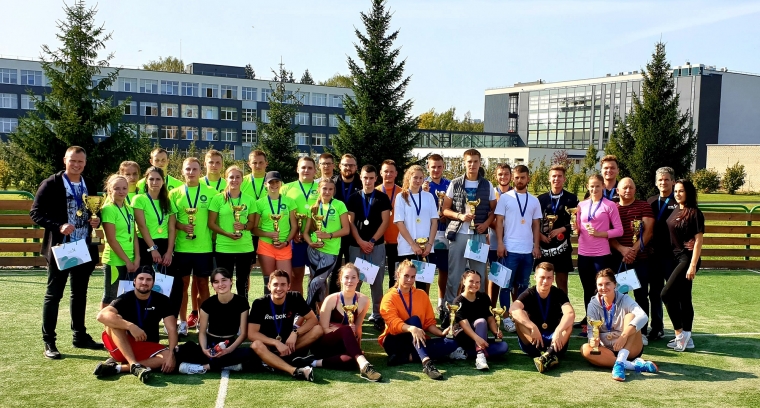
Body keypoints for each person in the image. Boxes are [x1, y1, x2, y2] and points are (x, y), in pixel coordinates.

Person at [31, 146, 104, 359]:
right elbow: (35, 213)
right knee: (54, 295)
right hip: (61, 248)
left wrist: (96, 220)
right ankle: (49, 341)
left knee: (79, 294)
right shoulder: (51, 183)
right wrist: (59, 225)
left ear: (85, 163)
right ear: (65, 160)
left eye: (80, 161)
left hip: (84, 246)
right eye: (73, 161)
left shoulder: (89, 183)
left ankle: (79, 336)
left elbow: (95, 210)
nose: (76, 165)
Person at [94, 266, 178, 383]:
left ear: (153, 283)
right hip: (122, 345)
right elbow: (101, 316)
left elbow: (172, 329)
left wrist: (172, 355)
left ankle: (118, 368)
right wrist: (130, 326)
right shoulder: (125, 298)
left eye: (148, 279)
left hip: (147, 345)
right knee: (115, 320)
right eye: (141, 279)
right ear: (134, 281)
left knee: (168, 357)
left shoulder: (163, 300)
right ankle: (133, 363)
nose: (144, 282)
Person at [379, 260, 458, 380]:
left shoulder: (421, 294)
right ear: (398, 275)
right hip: (394, 341)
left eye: (413, 277)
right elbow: (393, 323)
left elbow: (428, 323)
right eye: (406, 276)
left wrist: (441, 333)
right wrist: (411, 328)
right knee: (415, 321)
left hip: (418, 341)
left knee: (451, 343)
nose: (410, 280)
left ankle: (406, 357)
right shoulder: (389, 297)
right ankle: (427, 363)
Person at [580, 269, 658, 382]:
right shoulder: (593, 304)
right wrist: (593, 339)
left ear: (615, 285)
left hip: (629, 347)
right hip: (607, 349)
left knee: (631, 316)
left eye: (607, 284)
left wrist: (624, 336)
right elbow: (591, 329)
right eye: (600, 285)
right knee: (585, 349)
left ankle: (622, 359)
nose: (604, 287)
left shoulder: (625, 299)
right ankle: (631, 365)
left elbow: (643, 316)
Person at [442, 149, 497, 307]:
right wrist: (460, 216)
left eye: (475, 161)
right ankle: (451, 308)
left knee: (479, 275)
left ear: (480, 163)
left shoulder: (487, 184)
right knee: (455, 274)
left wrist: (486, 224)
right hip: (458, 234)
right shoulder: (455, 183)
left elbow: (495, 210)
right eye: (469, 161)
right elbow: (445, 209)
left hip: (478, 235)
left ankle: (480, 308)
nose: (472, 164)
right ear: (464, 163)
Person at [173, 268, 254, 374]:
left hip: (229, 344)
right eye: (216, 282)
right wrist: (204, 350)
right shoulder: (207, 304)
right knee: (179, 351)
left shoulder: (242, 302)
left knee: (251, 353)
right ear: (212, 285)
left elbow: (243, 334)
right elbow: (202, 332)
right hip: (210, 344)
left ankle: (205, 367)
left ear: (231, 281)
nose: (220, 284)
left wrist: (228, 350)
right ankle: (228, 365)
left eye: (224, 280)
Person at [248, 270, 323, 381]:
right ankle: (294, 370)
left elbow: (313, 320)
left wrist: (295, 333)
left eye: (283, 284)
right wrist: (276, 342)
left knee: (318, 330)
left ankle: (272, 362)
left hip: (289, 345)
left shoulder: (295, 297)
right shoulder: (259, 303)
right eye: (275, 284)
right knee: (256, 345)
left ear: (289, 286)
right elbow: (251, 334)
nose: (279, 288)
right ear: (269, 286)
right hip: (269, 346)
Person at [168, 157, 215, 336]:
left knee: (203, 285)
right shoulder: (174, 193)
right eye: (188, 169)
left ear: (200, 171)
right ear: (182, 171)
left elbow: (216, 219)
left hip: (204, 248)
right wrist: (182, 226)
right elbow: (171, 222)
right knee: (182, 286)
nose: (191, 172)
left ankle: (204, 322)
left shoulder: (211, 192)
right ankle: (182, 322)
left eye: (194, 169)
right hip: (182, 248)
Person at [312, 264, 383, 381]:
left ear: (358, 280)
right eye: (346, 277)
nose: (350, 281)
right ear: (340, 279)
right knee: (346, 329)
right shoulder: (331, 299)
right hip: (325, 344)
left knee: (350, 360)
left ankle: (314, 362)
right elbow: (323, 329)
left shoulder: (364, 300)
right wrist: (342, 330)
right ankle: (365, 364)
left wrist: (356, 347)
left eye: (353, 277)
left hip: (344, 345)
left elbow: (358, 328)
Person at [494, 164, 542, 332]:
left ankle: (521, 317)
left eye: (522, 177)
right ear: (513, 179)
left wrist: (536, 246)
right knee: (505, 286)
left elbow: (536, 225)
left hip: (527, 251)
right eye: (516, 178)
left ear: (528, 178)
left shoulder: (534, 200)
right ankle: (506, 318)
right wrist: (500, 243)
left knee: (523, 286)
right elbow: (499, 222)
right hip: (510, 249)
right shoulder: (505, 198)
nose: (519, 180)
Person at [575, 174, 623, 337]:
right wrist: (576, 229)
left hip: (601, 254)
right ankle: (590, 326)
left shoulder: (610, 205)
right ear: (587, 187)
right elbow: (578, 228)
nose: (594, 189)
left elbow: (619, 230)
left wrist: (600, 233)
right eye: (591, 186)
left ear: (603, 186)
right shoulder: (581, 205)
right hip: (583, 253)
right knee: (587, 290)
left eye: (597, 186)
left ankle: (606, 324)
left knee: (601, 290)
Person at [609, 177, 654, 344]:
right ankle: (621, 329)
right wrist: (623, 250)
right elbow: (608, 234)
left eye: (631, 187)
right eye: (624, 188)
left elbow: (648, 232)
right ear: (617, 191)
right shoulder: (612, 207)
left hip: (640, 259)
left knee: (641, 296)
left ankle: (642, 332)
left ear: (635, 190)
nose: (628, 190)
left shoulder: (644, 206)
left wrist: (632, 251)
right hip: (619, 259)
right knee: (620, 296)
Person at [509, 262, 575, 373]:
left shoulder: (559, 293)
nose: (545, 281)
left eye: (549, 278)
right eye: (542, 277)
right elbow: (513, 309)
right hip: (534, 341)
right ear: (535, 277)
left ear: (553, 279)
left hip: (555, 341)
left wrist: (559, 330)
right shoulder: (529, 293)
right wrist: (532, 327)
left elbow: (570, 314)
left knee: (568, 323)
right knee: (518, 319)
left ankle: (547, 355)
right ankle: (549, 356)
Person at [346, 165, 391, 323]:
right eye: (365, 177)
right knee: (354, 280)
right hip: (356, 245)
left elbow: (385, 222)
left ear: (376, 179)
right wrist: (360, 241)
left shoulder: (382, 198)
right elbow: (350, 223)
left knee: (377, 281)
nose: (368, 181)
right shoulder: (353, 198)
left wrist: (371, 241)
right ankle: (352, 312)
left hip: (376, 245)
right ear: (361, 177)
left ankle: (377, 315)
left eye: (371, 178)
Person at [662, 179, 704, 352]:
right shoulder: (676, 209)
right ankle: (687, 336)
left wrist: (692, 265)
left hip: (687, 259)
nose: (678, 194)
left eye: (681, 191)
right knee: (684, 297)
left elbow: (699, 240)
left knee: (666, 294)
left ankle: (681, 333)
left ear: (688, 193)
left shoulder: (694, 213)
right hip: (675, 258)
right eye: (676, 191)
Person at [208, 166, 257, 299]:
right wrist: (227, 234)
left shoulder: (249, 200)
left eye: (237, 177)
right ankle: (224, 308)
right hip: (224, 247)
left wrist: (243, 226)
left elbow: (252, 224)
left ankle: (243, 309)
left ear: (242, 179)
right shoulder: (218, 199)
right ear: (226, 179)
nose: (234, 180)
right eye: (231, 177)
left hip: (245, 247)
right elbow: (211, 224)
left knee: (243, 282)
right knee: (223, 282)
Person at [302, 178, 350, 311]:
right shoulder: (313, 207)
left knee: (316, 282)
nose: (327, 192)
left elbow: (346, 230)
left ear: (334, 190)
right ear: (319, 189)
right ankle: (320, 313)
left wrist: (328, 235)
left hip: (331, 251)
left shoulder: (339, 205)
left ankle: (304, 311)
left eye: (330, 189)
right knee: (319, 283)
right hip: (313, 250)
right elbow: (306, 232)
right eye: (324, 188)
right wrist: (310, 242)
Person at [450, 270, 508, 370]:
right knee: (481, 321)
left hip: (480, 338)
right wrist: (477, 339)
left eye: (477, 282)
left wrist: (496, 332)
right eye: (471, 281)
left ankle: (464, 353)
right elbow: (465, 325)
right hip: (465, 337)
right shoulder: (458, 301)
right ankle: (480, 356)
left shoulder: (484, 297)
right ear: (464, 281)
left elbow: (490, 318)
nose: (474, 285)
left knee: (503, 347)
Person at [646, 167, 678, 342]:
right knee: (654, 293)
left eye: (666, 179)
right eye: (660, 180)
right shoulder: (650, 201)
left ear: (673, 181)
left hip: (673, 256)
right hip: (653, 255)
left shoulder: (679, 200)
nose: (663, 182)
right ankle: (657, 327)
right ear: (655, 182)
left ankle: (680, 329)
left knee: (673, 292)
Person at [536, 164, 579, 294]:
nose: (556, 179)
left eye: (560, 176)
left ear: (564, 179)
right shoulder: (540, 199)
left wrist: (562, 229)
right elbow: (535, 222)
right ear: (549, 178)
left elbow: (576, 222)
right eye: (554, 176)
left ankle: (563, 307)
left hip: (562, 247)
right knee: (542, 282)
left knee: (562, 283)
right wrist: (540, 236)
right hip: (544, 246)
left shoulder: (572, 199)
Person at [394, 165, 439, 292]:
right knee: (405, 284)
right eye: (415, 178)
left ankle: (421, 306)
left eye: (421, 178)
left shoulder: (429, 197)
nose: (418, 181)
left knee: (423, 286)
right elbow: (399, 223)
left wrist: (429, 244)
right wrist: (413, 245)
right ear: (408, 178)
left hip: (426, 249)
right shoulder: (401, 197)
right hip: (407, 248)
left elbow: (434, 222)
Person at [253, 171, 297, 292]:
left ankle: (285, 305)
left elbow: (294, 226)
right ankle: (268, 304)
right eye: (271, 182)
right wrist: (268, 234)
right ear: (265, 184)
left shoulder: (289, 201)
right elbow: (254, 229)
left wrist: (286, 242)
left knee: (285, 280)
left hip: (284, 246)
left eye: (277, 182)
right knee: (269, 281)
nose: (274, 185)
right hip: (266, 245)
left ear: (281, 183)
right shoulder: (259, 203)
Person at [281, 156, 320, 294]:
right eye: (303, 167)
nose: (306, 170)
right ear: (297, 169)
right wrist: (292, 234)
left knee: (317, 278)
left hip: (315, 238)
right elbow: (281, 213)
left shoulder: (321, 188)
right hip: (295, 240)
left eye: (310, 168)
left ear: (315, 170)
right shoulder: (286, 188)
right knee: (296, 276)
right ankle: (298, 306)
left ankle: (316, 306)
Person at [100, 174, 140, 309]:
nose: (121, 191)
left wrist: (137, 257)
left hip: (130, 258)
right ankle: (105, 322)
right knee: (110, 296)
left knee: (126, 295)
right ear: (110, 190)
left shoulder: (129, 208)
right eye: (117, 188)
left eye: (124, 188)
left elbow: (134, 234)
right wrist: (127, 261)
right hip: (114, 260)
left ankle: (121, 321)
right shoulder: (108, 209)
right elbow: (111, 239)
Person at [422, 154, 451, 312]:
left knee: (444, 269)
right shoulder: (422, 185)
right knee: (427, 270)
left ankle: (441, 303)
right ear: (428, 167)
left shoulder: (450, 185)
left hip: (446, 232)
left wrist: (447, 214)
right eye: (433, 167)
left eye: (439, 166)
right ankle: (424, 304)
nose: (436, 170)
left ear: (443, 167)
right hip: (427, 235)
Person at [330, 154, 363, 293]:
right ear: (340, 166)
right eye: (345, 165)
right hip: (335, 234)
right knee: (334, 271)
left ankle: (352, 300)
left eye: (351, 165)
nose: (348, 168)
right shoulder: (332, 183)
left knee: (354, 271)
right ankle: (333, 301)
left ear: (356, 167)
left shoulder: (362, 183)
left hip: (356, 235)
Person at [132, 167, 176, 268]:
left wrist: (169, 252)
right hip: (145, 244)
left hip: (165, 245)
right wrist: (153, 249)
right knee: (145, 276)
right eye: (151, 179)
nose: (154, 182)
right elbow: (142, 226)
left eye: (158, 179)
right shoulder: (139, 199)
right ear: (146, 181)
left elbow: (172, 229)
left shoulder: (168, 202)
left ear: (163, 181)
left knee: (166, 277)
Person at [487, 163, 512, 307]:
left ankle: (511, 310)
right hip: (495, 242)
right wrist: (499, 229)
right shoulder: (491, 194)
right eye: (500, 174)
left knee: (511, 278)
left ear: (511, 176)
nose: (503, 177)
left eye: (506, 174)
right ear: (496, 176)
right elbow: (489, 217)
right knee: (495, 276)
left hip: (512, 242)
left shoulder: (516, 194)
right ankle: (492, 309)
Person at [378, 160, 402, 292]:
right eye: (386, 171)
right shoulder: (375, 191)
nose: (388, 174)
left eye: (391, 171)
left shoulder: (403, 193)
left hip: (396, 241)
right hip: (378, 241)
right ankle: (378, 303)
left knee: (395, 276)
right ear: (381, 173)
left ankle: (393, 301)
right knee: (376, 277)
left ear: (396, 173)